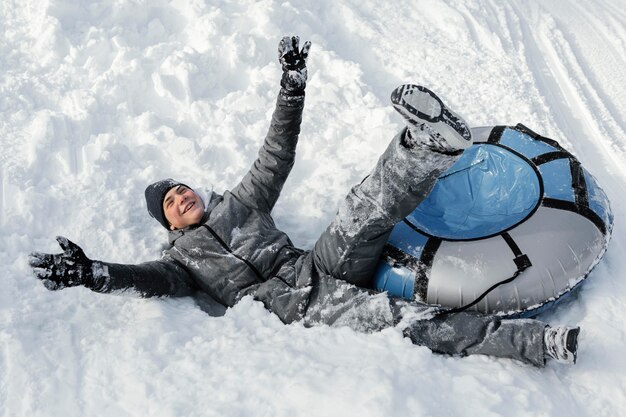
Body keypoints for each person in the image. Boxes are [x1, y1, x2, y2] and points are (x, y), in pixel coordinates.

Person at [29, 36, 580, 367]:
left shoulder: (238, 204)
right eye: (171, 202)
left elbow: (276, 155)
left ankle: (423, 146)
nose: (181, 196)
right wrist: (94, 273)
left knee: (362, 209)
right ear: (169, 225)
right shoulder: (180, 263)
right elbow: (145, 281)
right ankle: (539, 343)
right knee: (408, 323)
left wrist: (292, 86)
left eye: (181, 188)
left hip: (315, 265)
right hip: (293, 308)